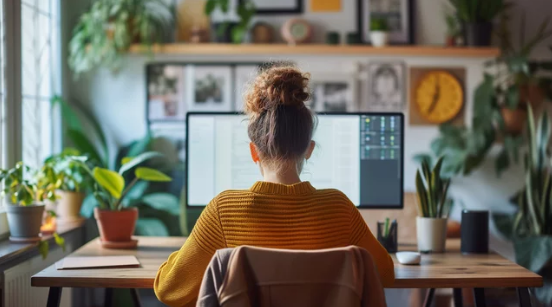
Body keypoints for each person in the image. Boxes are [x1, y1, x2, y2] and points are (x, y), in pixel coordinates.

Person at [154, 66, 395, 307]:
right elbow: (384, 273)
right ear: (309, 150)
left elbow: (169, 289)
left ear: (253, 151)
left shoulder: (223, 210)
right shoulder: (339, 207)